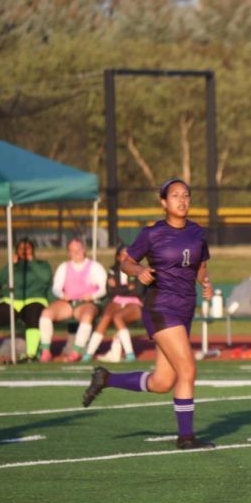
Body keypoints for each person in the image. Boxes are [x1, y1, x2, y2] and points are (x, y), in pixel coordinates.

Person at [81, 179, 215, 450]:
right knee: (187, 369)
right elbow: (126, 260)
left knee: (162, 382)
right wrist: (138, 271)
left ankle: (106, 378)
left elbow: (199, 266)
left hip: (185, 308)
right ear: (164, 202)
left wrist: (205, 281)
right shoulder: (153, 233)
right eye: (175, 195)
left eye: (186, 195)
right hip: (161, 307)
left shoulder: (198, 233)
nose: (182, 200)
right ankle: (186, 438)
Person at [0, 237, 52, 363]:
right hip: (12, 300)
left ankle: (31, 354)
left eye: (27, 249)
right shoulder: (13, 266)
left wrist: (31, 262)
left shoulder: (42, 265)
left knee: (33, 314)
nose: (24, 251)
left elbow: (46, 278)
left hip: (34, 300)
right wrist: (10, 265)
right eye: (21, 249)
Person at [38, 237, 107, 362]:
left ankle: (76, 352)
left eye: (79, 250)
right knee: (46, 314)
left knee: (87, 317)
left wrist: (92, 296)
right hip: (68, 303)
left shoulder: (95, 267)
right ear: (69, 253)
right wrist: (62, 295)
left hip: (86, 303)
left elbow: (103, 289)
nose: (77, 253)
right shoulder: (64, 267)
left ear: (84, 250)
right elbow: (56, 288)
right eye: (73, 251)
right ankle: (46, 351)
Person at [82, 244, 142, 362]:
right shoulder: (112, 270)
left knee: (118, 317)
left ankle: (130, 354)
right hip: (116, 300)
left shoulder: (139, 270)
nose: (125, 258)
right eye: (123, 255)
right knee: (106, 317)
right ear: (118, 257)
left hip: (134, 302)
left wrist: (119, 288)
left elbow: (138, 291)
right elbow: (111, 291)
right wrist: (127, 288)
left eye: (128, 255)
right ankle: (89, 353)